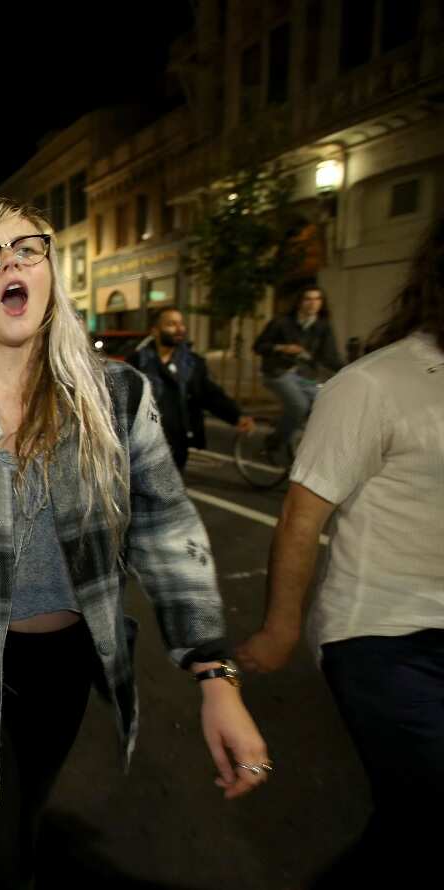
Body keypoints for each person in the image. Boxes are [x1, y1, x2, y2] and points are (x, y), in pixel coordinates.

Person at [0, 198, 270, 888]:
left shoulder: (115, 397)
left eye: (28, 249)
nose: (12, 263)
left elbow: (170, 532)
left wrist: (215, 676)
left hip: (64, 662)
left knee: (26, 815)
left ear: (50, 275)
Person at [237, 216, 444, 879]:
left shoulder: (332, 339)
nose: (315, 306)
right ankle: (281, 438)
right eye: (313, 301)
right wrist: (279, 629)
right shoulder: (377, 385)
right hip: (386, 633)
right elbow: (302, 516)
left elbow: (326, 350)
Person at [128, 307, 254, 471]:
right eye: (171, 324)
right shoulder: (137, 362)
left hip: (178, 442)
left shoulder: (192, 363)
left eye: (181, 324)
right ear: (155, 331)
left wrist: (236, 415)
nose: (179, 328)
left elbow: (210, 394)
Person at [252, 286, 343, 458]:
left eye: (317, 299)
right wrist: (282, 348)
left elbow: (330, 357)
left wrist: (350, 370)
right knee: (299, 405)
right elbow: (258, 346)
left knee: (326, 404)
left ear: (321, 303)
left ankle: (301, 444)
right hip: (278, 373)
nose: (312, 303)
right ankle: (273, 443)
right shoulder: (281, 322)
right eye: (308, 299)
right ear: (299, 302)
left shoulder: (323, 327)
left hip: (305, 376)